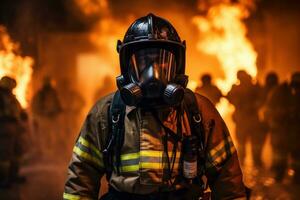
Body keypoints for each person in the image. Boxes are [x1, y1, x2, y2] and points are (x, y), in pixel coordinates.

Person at [63, 14, 246, 200]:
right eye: (143, 61)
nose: (153, 71)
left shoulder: (197, 110)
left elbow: (228, 181)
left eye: (163, 60)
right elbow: (81, 178)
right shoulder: (107, 112)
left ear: (178, 65)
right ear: (127, 66)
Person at [227, 70, 262, 166]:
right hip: (248, 119)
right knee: (252, 142)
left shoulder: (238, 88)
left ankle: (244, 161)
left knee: (245, 141)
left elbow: (229, 98)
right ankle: (255, 161)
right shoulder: (254, 87)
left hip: (244, 119)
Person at [0, 76, 27, 187]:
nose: (13, 87)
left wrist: (23, 114)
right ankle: (3, 179)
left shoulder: (11, 96)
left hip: (15, 128)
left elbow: (18, 108)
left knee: (17, 151)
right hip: (4, 127)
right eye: (11, 84)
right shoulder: (1, 97)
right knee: (5, 154)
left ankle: (13, 175)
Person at [31, 76, 62, 155]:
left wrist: (57, 111)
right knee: (44, 135)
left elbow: (58, 105)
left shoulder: (54, 93)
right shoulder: (40, 94)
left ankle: (52, 152)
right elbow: (35, 106)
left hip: (52, 118)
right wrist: (41, 113)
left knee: (52, 135)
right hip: (43, 118)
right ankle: (44, 152)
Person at [288, 72, 300, 184]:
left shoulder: (292, 95)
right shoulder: (290, 95)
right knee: (295, 152)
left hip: (295, 129)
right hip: (293, 129)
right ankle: (296, 175)